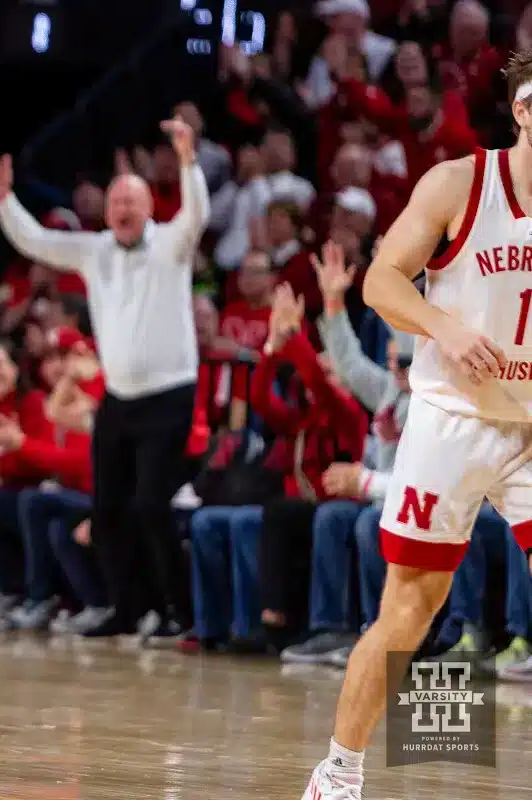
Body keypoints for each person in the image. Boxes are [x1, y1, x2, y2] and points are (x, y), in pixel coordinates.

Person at [300, 50, 532, 800]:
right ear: (524, 110)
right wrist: (443, 327)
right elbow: (380, 281)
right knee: (411, 607)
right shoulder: (461, 183)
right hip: (453, 419)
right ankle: (339, 772)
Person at [0, 115, 210, 640]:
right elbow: (36, 241)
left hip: (170, 396)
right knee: (106, 512)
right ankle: (127, 610)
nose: (124, 210)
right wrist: (2, 199)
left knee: (151, 505)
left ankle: (177, 612)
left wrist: (189, 161)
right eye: (117, 204)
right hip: (120, 401)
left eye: (133, 202)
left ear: (149, 207)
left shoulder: (172, 244)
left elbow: (197, 213)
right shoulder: (94, 251)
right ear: (108, 212)